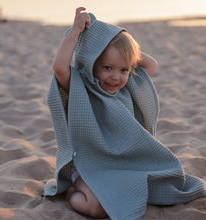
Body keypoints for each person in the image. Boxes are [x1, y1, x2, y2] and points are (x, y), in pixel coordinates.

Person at [44, 7, 206, 220]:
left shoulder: (128, 87)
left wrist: (116, 42)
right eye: (107, 67)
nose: (116, 77)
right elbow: (59, 67)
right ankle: (71, 191)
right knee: (96, 208)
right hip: (89, 165)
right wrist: (77, 32)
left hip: (121, 164)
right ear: (92, 63)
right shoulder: (80, 88)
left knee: (169, 188)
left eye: (123, 69)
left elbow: (150, 63)